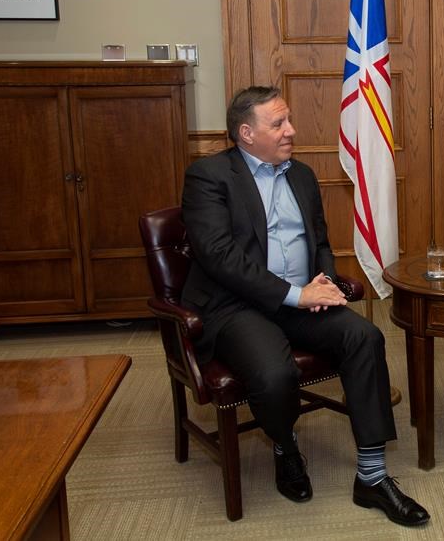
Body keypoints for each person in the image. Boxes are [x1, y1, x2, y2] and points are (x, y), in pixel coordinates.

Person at [180, 86, 429, 527]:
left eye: (289, 120)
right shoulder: (209, 176)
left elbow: (320, 241)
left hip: (302, 298)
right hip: (237, 307)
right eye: (278, 123)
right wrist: (296, 295)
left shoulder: (301, 175)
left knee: (364, 337)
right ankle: (285, 445)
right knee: (275, 376)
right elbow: (220, 257)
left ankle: (372, 476)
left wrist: (324, 279)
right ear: (246, 133)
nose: (291, 130)